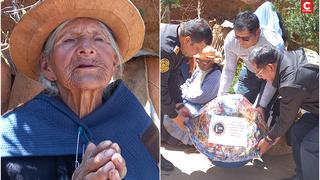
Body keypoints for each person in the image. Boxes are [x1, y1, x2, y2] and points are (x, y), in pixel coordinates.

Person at [1, 0, 159, 179]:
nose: (86, 48)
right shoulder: (10, 142)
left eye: (99, 38)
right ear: (47, 67)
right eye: (69, 39)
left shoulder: (135, 120)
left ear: (114, 62)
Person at [249, 46, 319, 180]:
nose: (261, 77)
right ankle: (302, 175)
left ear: (270, 67)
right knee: (297, 131)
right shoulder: (288, 57)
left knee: (310, 146)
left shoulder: (291, 82)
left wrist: (268, 140)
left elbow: (286, 120)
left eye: (259, 73)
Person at [160, 18, 212, 170]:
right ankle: (156, 157)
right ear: (188, 40)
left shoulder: (180, 42)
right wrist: (175, 117)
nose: (196, 54)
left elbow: (174, 77)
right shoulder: (166, 49)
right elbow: (162, 88)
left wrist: (179, 104)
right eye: (197, 50)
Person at [217, 11, 284, 122]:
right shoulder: (230, 41)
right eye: (237, 37)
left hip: (271, 77)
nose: (240, 42)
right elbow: (229, 69)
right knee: (239, 108)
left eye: (245, 38)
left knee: (260, 114)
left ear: (257, 32)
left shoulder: (274, 45)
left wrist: (262, 106)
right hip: (249, 72)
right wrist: (221, 95)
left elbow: (273, 78)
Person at [163, 46, 222, 145]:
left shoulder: (216, 75)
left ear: (212, 62)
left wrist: (183, 95)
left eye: (204, 62)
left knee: (181, 114)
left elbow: (202, 96)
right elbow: (188, 82)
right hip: (186, 99)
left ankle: (187, 141)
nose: (200, 64)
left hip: (201, 106)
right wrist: (180, 91)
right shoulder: (199, 69)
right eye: (198, 60)